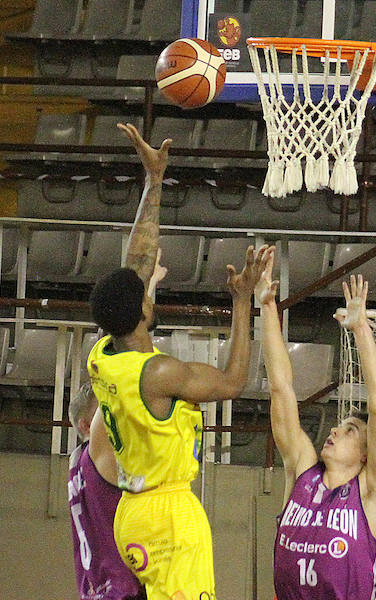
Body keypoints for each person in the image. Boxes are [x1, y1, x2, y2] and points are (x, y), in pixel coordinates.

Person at [87, 121, 274, 600]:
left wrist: (154, 183)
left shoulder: (103, 354)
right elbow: (234, 383)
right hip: (168, 515)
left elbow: (137, 265)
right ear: (145, 309)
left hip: (131, 513)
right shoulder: (159, 374)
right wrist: (242, 301)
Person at [257, 268, 376, 600]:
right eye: (338, 426)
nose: (334, 430)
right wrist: (267, 307)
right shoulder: (303, 472)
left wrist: (361, 330)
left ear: (365, 455)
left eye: (349, 431)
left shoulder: (369, 491)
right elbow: (281, 388)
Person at [67, 382, 143, 600]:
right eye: (104, 412)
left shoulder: (76, 463)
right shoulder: (99, 456)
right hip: (123, 590)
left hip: (97, 590)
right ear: (86, 426)